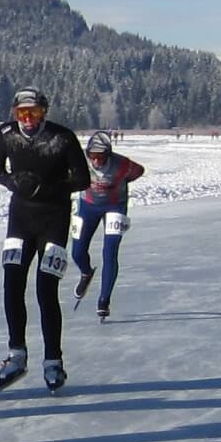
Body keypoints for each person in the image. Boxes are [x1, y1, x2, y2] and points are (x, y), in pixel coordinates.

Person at [0, 89, 90, 393]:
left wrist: (48, 188)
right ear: (14, 113)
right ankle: (16, 354)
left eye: (34, 113)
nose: (28, 120)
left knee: (46, 290)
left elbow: (82, 180)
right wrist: (10, 181)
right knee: (12, 284)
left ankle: (53, 361)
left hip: (54, 220)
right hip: (19, 220)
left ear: (44, 112)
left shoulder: (63, 137)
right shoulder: (5, 134)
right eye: (22, 114)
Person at [69, 133, 144, 320]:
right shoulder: (81, 161)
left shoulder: (122, 164)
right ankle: (86, 273)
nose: (95, 160)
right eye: (92, 155)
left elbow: (139, 171)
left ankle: (104, 300)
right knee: (77, 251)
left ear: (109, 155)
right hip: (87, 205)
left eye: (100, 156)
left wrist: (121, 184)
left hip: (115, 205)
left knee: (109, 252)